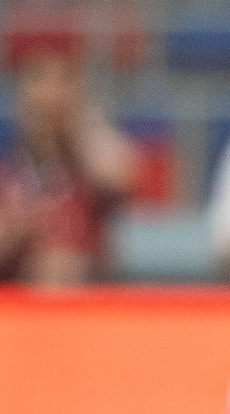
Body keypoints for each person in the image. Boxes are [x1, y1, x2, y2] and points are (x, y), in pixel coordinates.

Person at [0, 46, 135, 285]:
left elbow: (121, 175)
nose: (50, 93)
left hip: (82, 302)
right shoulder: (10, 170)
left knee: (59, 264)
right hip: (14, 303)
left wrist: (74, 127)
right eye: (39, 78)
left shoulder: (91, 155)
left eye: (64, 80)